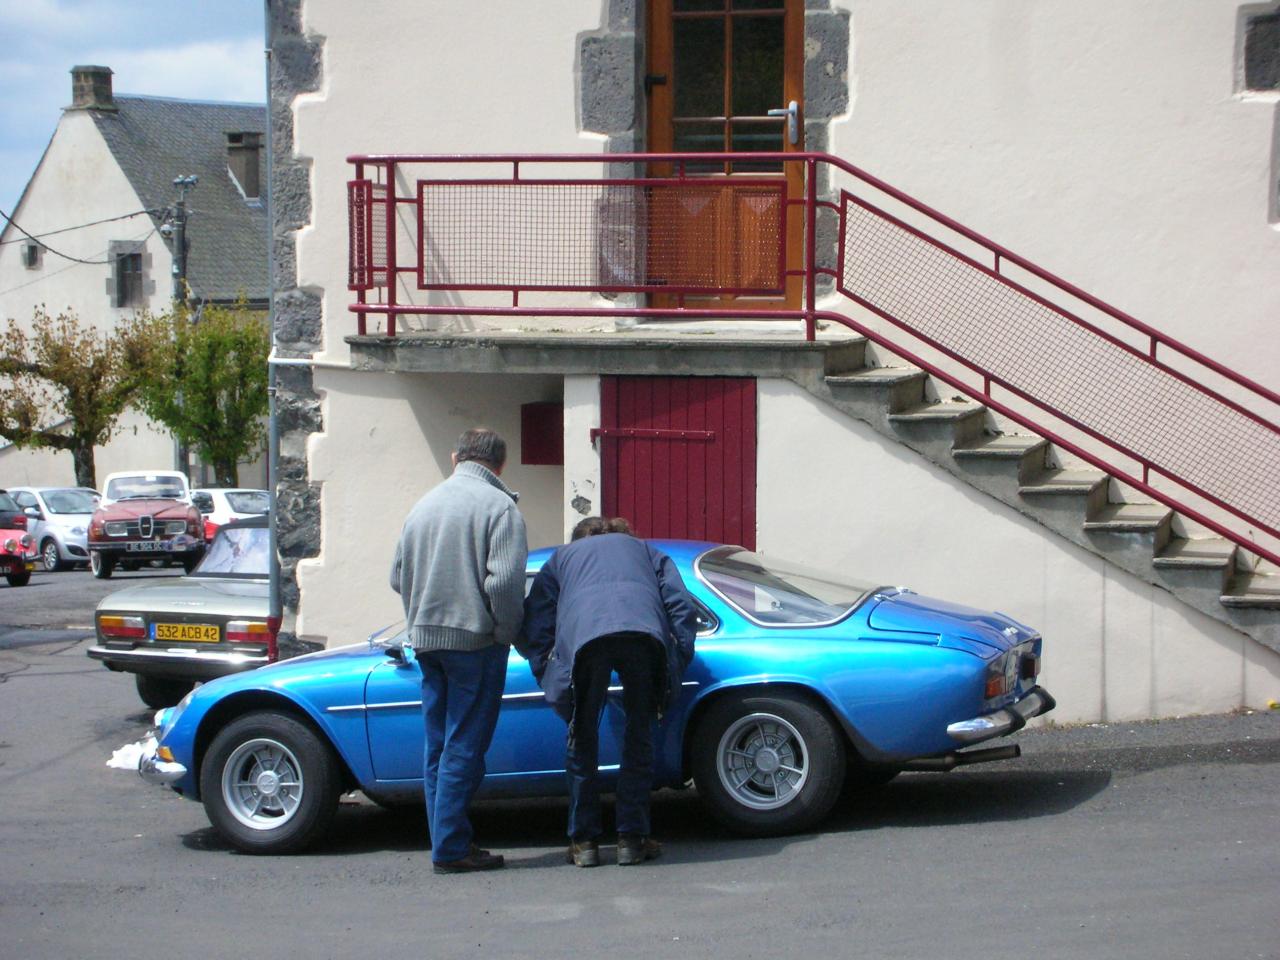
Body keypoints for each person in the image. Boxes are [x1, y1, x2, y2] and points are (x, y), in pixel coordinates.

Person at [521, 516, 698, 867]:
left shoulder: (561, 558)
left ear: (579, 538)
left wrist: (547, 670)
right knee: (639, 734)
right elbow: (681, 607)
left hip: (586, 642)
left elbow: (536, 620)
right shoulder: (647, 551)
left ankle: (584, 842)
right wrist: (676, 659)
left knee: (582, 735)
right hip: (643, 637)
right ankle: (632, 839)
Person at [390, 428, 527, 874]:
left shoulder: (423, 505)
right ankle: (450, 847)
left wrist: (421, 610)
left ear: (455, 457)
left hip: (427, 639)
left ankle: (446, 840)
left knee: (439, 744)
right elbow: (504, 583)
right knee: (465, 745)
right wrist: (506, 631)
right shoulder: (500, 507)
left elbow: (397, 575)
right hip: (475, 640)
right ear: (499, 465)